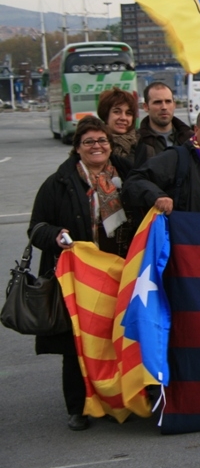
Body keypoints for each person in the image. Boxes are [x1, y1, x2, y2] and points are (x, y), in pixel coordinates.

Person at [29, 116, 135, 430]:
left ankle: (121, 398)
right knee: (77, 344)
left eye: (102, 140)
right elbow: (36, 228)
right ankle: (78, 407)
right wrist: (56, 236)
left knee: (119, 338)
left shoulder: (128, 175)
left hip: (119, 272)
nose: (97, 147)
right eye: (88, 142)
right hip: (79, 278)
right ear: (77, 148)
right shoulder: (58, 183)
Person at [135, 82, 191, 168]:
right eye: (157, 102)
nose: (164, 107)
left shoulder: (190, 138)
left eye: (168, 101)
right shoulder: (137, 141)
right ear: (146, 107)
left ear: (174, 105)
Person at [97, 87, 138, 161]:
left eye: (128, 113)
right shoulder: (94, 145)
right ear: (106, 115)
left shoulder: (142, 143)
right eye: (117, 112)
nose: (123, 118)